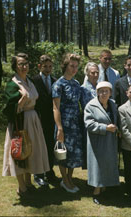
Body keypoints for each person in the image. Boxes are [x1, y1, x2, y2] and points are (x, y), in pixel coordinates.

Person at [2, 53, 50, 196]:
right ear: (15, 67)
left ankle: (29, 182)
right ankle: (22, 186)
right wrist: (20, 101)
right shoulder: (13, 84)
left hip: (33, 120)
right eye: (20, 64)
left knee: (31, 151)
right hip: (20, 122)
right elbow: (8, 108)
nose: (24, 66)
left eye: (26, 63)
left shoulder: (29, 81)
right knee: (20, 152)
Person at [84, 81, 119, 205]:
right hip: (97, 141)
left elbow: (116, 119)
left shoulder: (113, 104)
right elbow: (89, 124)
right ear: (97, 92)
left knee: (109, 164)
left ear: (110, 92)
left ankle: (106, 188)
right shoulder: (91, 106)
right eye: (101, 91)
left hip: (110, 141)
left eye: (106, 91)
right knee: (98, 166)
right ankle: (96, 192)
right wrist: (105, 128)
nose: (103, 93)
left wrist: (116, 128)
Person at [52, 53, 83, 193]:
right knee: (62, 153)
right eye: (71, 66)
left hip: (75, 124)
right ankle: (64, 180)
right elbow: (55, 108)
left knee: (74, 153)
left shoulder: (76, 84)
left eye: (76, 66)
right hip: (63, 124)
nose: (74, 69)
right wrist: (59, 128)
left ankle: (70, 178)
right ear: (65, 65)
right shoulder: (59, 84)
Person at [32, 54, 58, 186]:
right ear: (39, 66)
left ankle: (49, 171)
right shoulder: (33, 81)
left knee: (49, 146)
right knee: (38, 146)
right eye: (45, 66)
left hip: (51, 120)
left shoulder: (55, 80)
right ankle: (38, 173)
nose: (48, 69)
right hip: (38, 118)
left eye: (50, 66)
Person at [81, 62, 100, 169]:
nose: (95, 75)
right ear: (87, 73)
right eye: (93, 72)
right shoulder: (83, 89)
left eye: (97, 72)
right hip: (89, 124)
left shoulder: (100, 87)